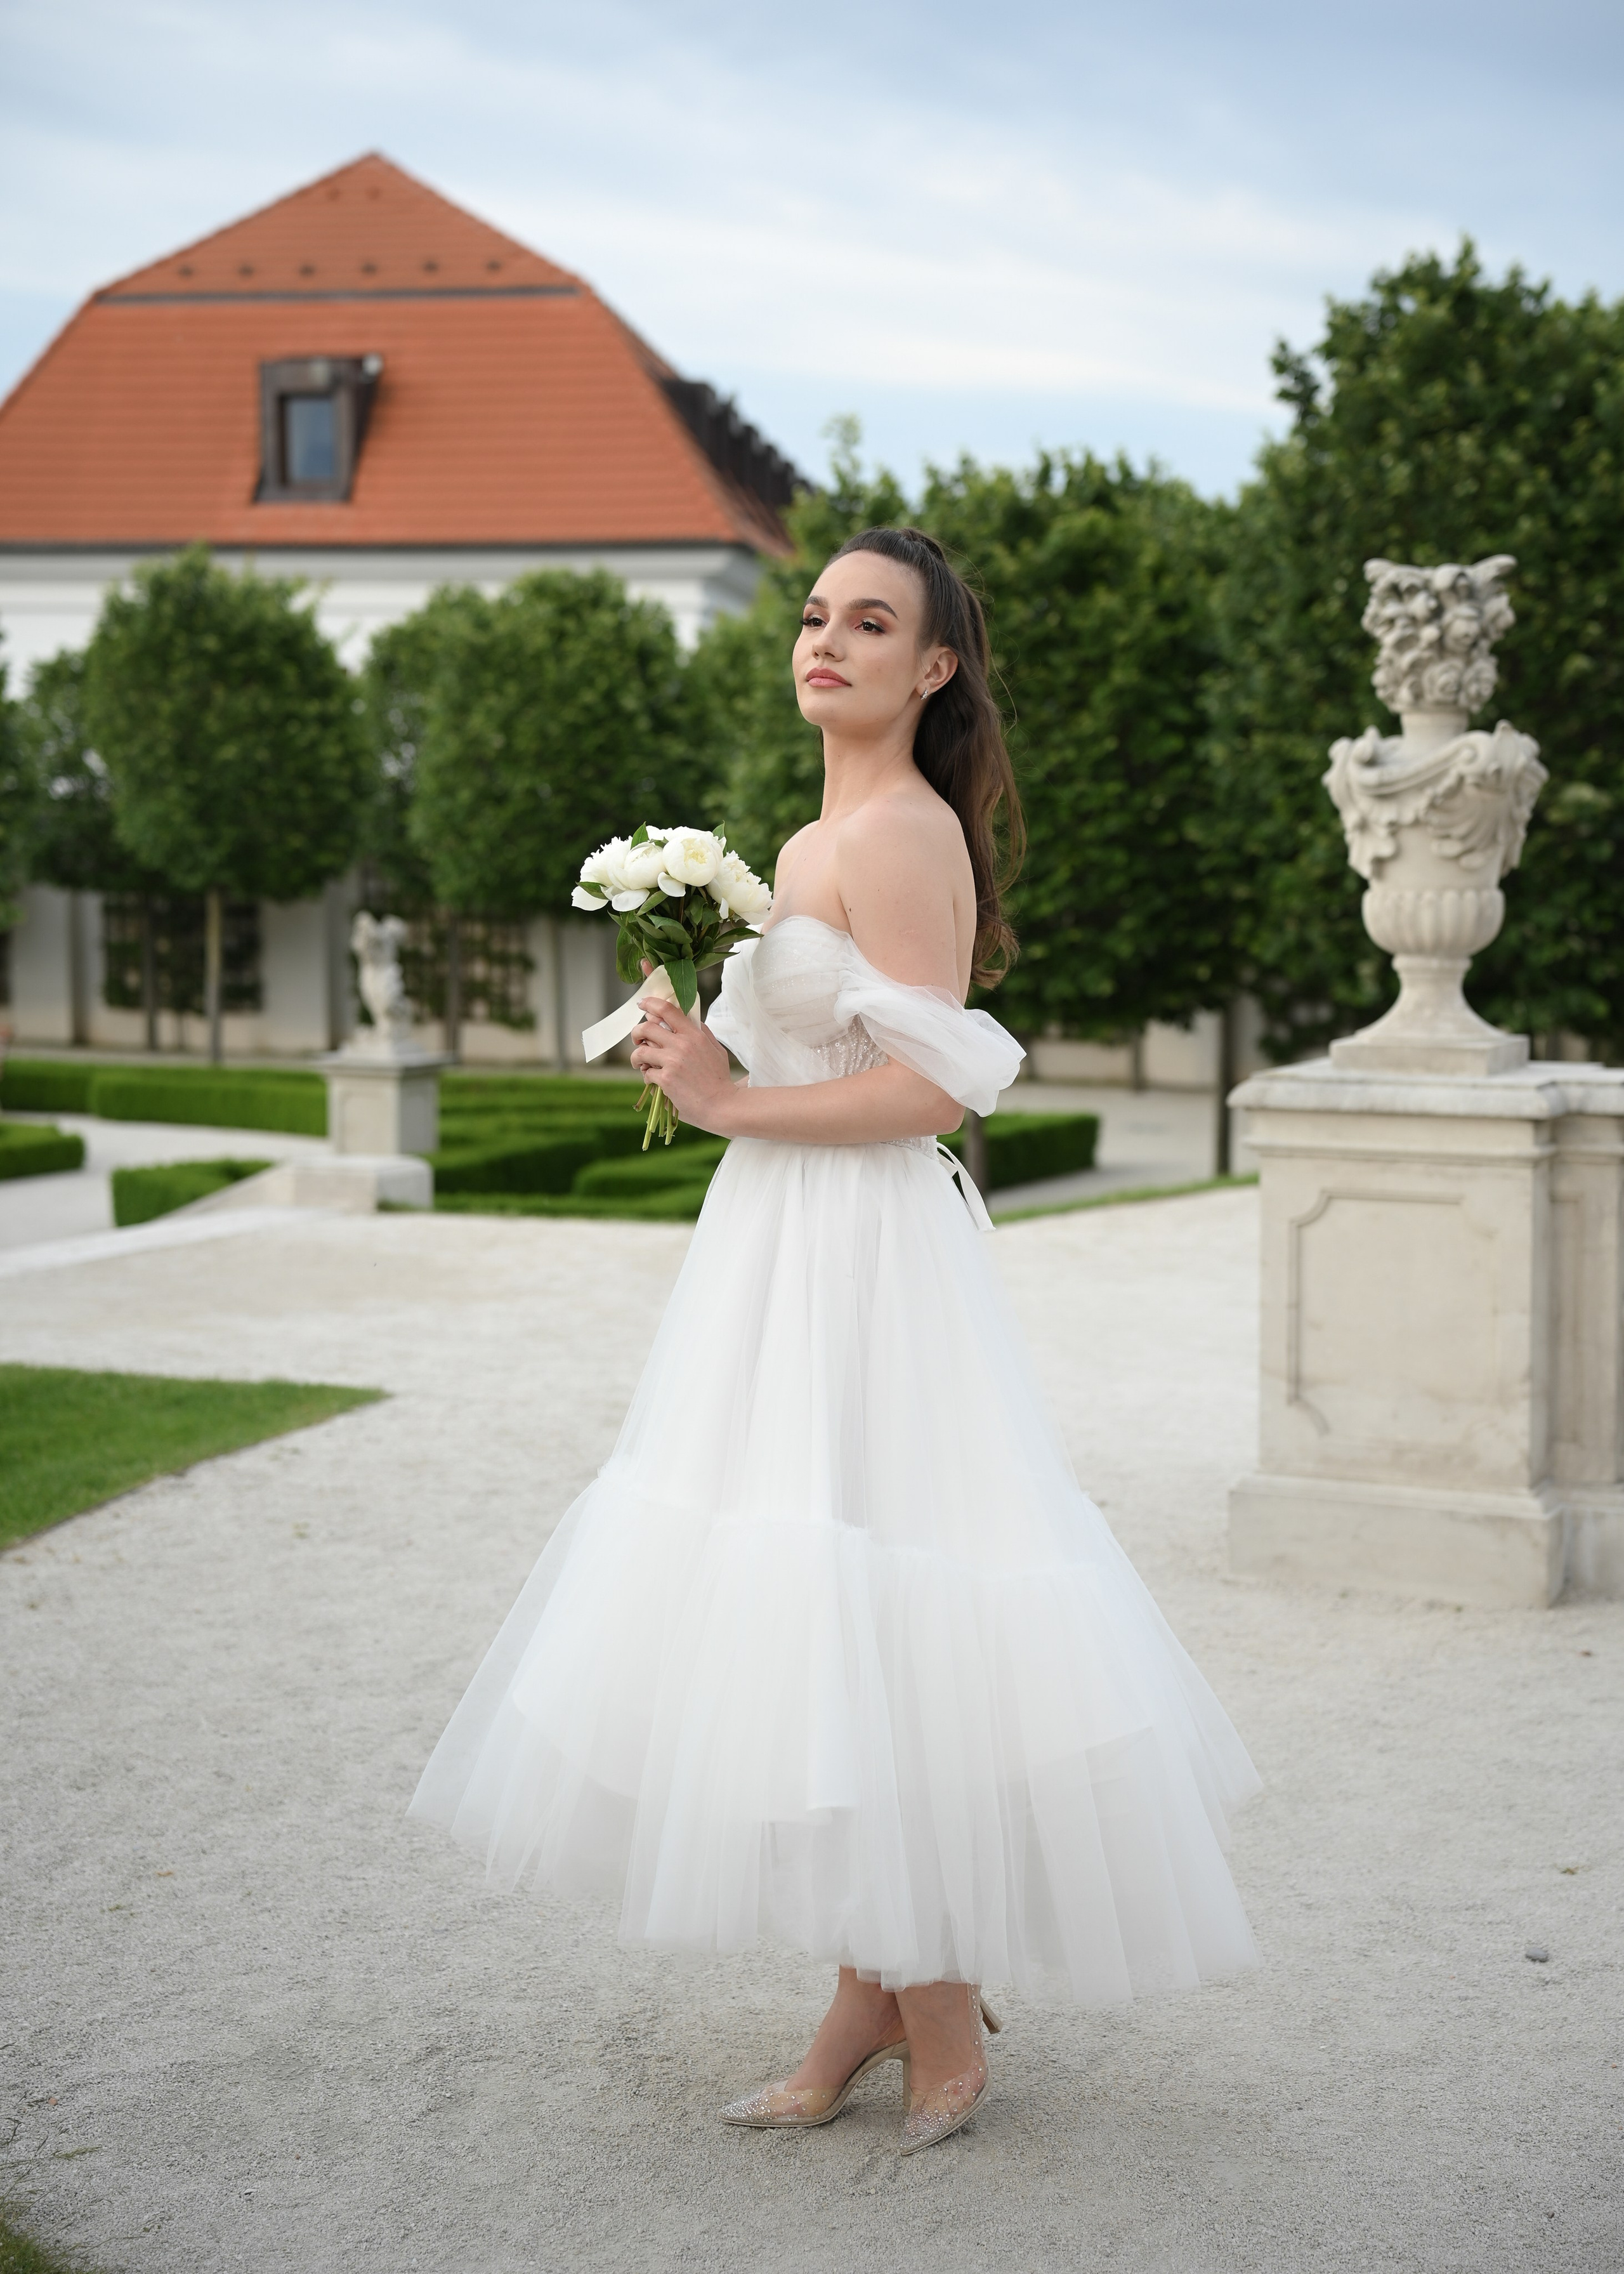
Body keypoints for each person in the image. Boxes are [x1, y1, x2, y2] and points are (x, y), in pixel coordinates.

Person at [409, 527, 1260, 2156]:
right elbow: (804, 1051)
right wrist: (688, 1038)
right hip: (780, 1251)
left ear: (932, 667)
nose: (825, 639)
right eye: (813, 615)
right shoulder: (809, 840)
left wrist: (728, 1102)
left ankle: (932, 2010)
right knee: (816, 1605)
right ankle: (871, 1994)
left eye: (869, 622)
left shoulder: (901, 832)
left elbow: (931, 1089)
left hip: (865, 1258)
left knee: (875, 1588)